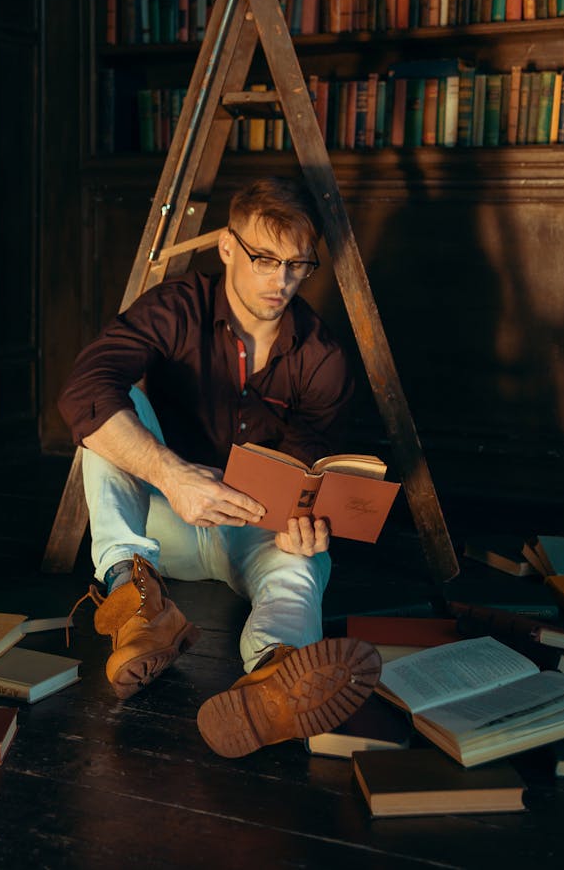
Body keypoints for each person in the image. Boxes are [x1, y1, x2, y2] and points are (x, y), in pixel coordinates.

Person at [58, 176, 380, 757]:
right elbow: (83, 389)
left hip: (251, 536)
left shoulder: (322, 356)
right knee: (110, 415)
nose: (280, 281)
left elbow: (308, 475)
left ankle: (274, 675)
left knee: (303, 566)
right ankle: (140, 607)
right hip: (164, 527)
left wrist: (306, 524)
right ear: (228, 247)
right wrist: (171, 474)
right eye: (264, 258)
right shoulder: (176, 307)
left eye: (297, 265)